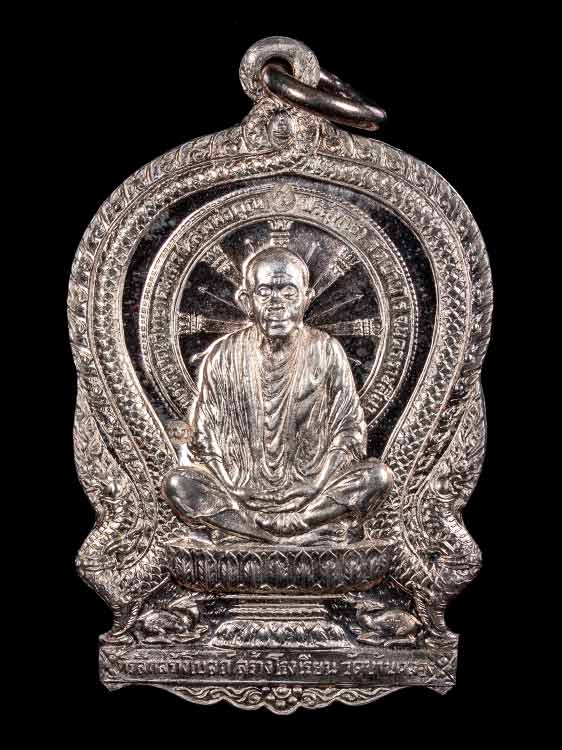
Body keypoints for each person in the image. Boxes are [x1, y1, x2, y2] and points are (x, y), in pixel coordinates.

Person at [162, 244, 393, 545]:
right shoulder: (224, 355)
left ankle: (289, 526)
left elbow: (348, 429)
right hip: (240, 492)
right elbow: (206, 434)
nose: (276, 304)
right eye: (265, 293)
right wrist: (230, 485)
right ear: (246, 300)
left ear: (307, 298)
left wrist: (318, 483)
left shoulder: (326, 350)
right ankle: (280, 536)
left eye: (288, 293)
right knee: (178, 483)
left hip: (313, 493)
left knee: (377, 477)